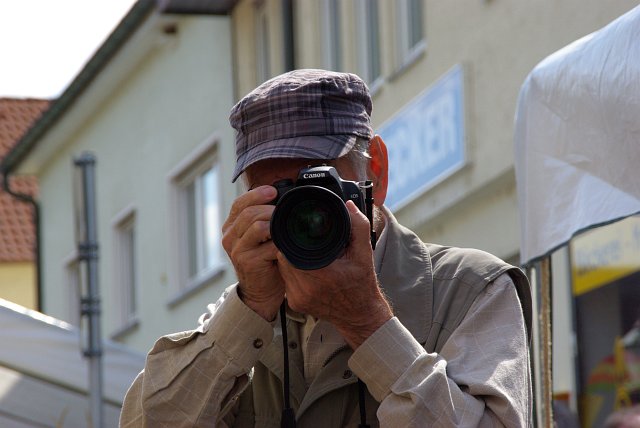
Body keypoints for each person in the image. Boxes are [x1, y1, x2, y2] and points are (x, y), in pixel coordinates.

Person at [120, 69, 532, 427]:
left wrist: (367, 321)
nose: (303, 213)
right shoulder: (245, 317)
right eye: (277, 194)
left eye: (316, 184)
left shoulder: (470, 289)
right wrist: (249, 309)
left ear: (376, 171)